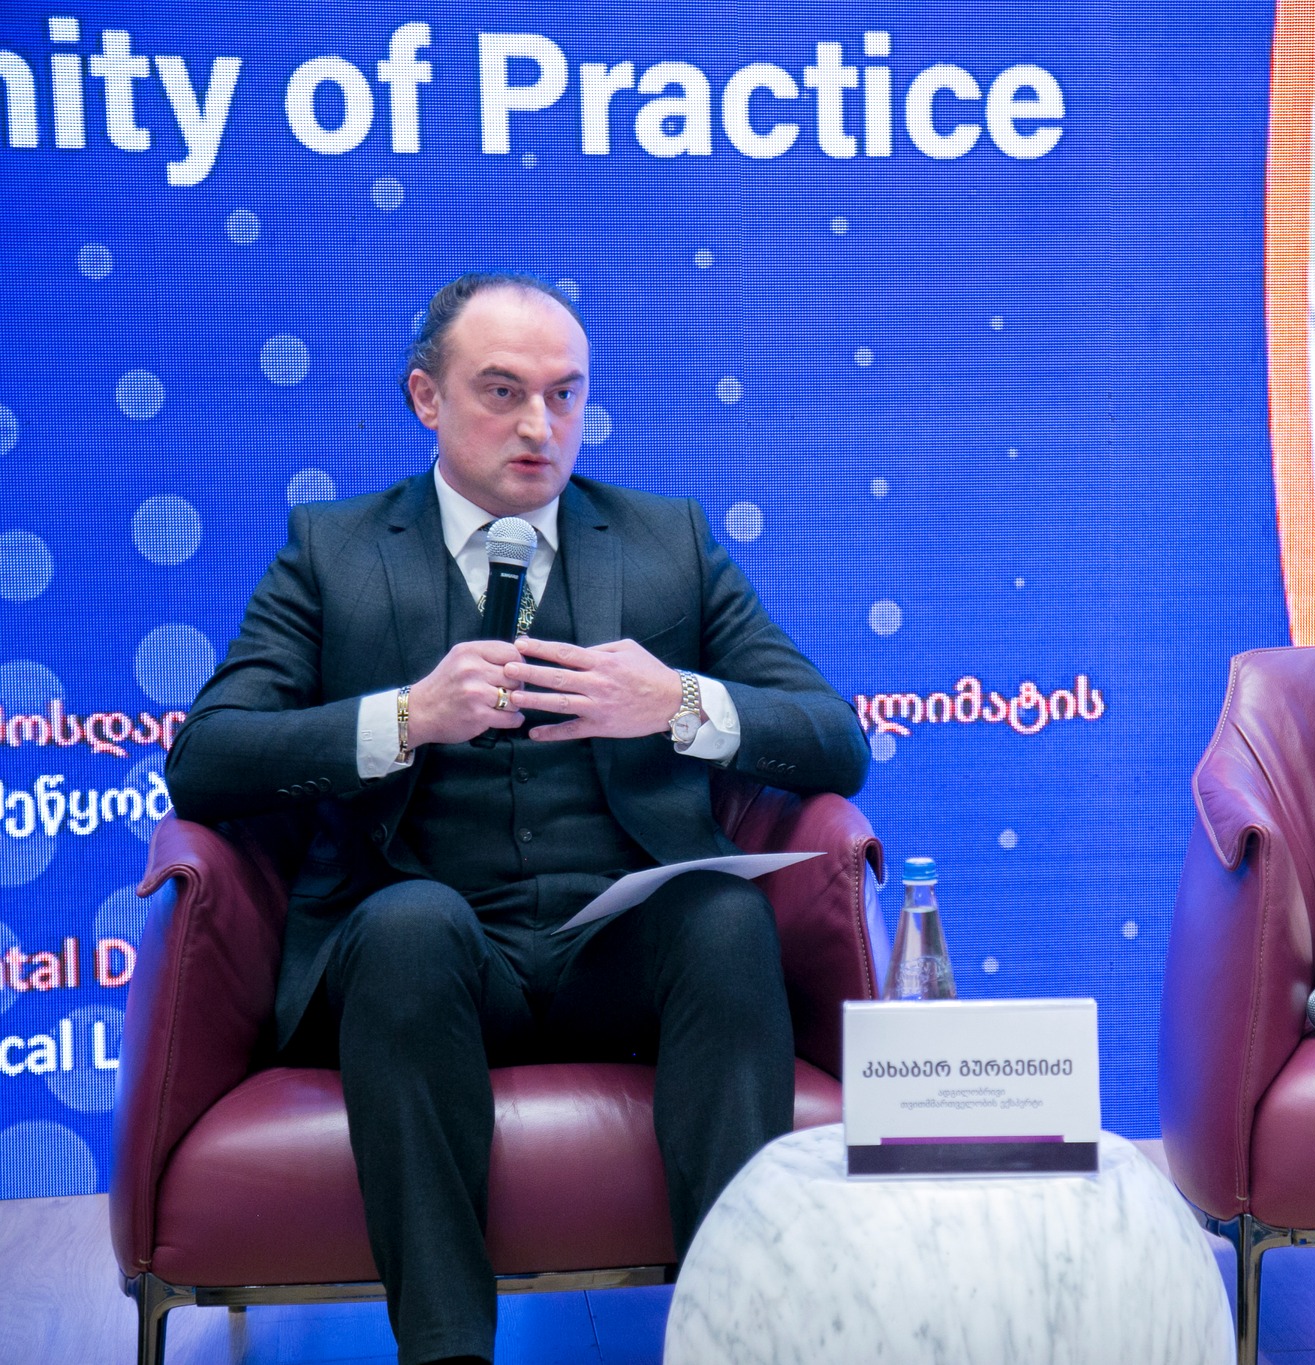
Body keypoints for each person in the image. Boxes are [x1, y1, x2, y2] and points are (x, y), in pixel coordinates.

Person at [164, 271, 869, 1365]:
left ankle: (739, 1339)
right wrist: (407, 717)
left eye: (564, 394)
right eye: (502, 392)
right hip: (427, 960)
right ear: (425, 398)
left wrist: (676, 702)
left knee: (721, 918)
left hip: (619, 957)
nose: (540, 426)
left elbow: (834, 739)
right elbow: (205, 760)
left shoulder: (668, 542)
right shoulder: (333, 551)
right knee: (410, 926)